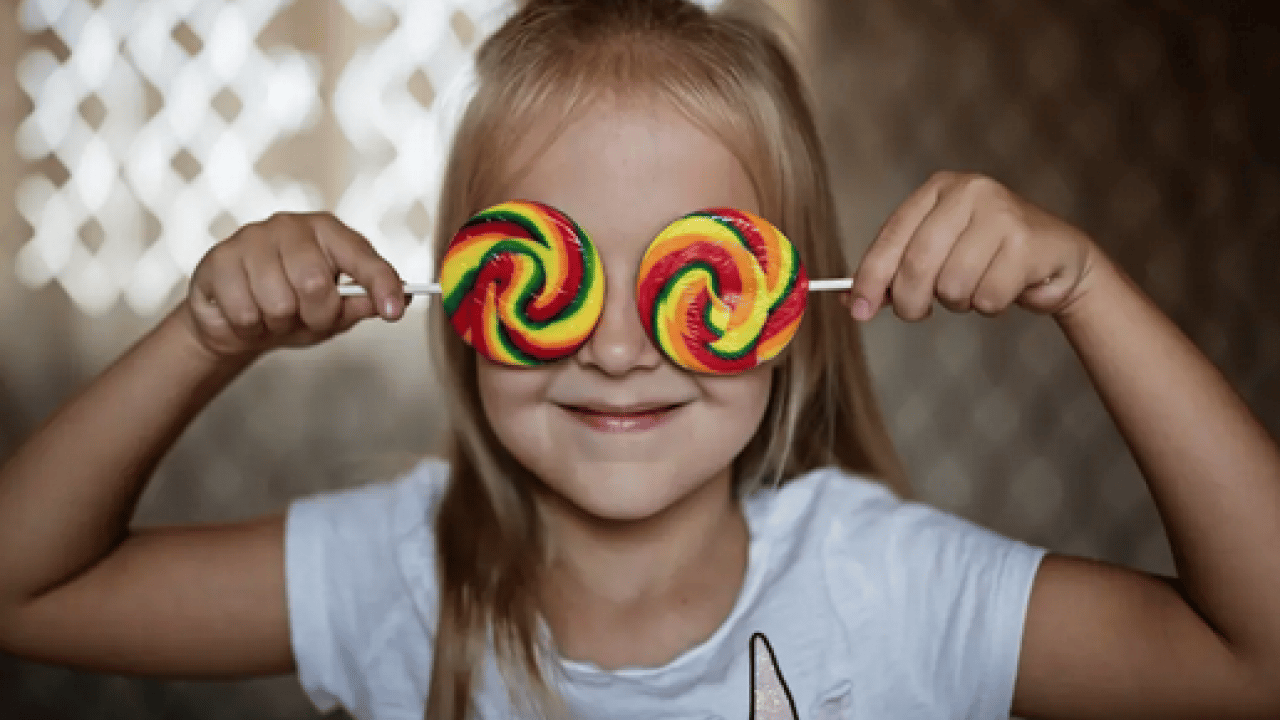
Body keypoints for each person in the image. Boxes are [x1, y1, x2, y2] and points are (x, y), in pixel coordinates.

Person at [2, 0, 1279, 719]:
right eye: (549, 279)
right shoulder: (397, 575)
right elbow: (27, 588)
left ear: (785, 303)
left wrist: (1082, 288)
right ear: (470, 289)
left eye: (690, 280)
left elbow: (1255, 660)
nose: (615, 349)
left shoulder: (888, 593)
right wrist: (204, 337)